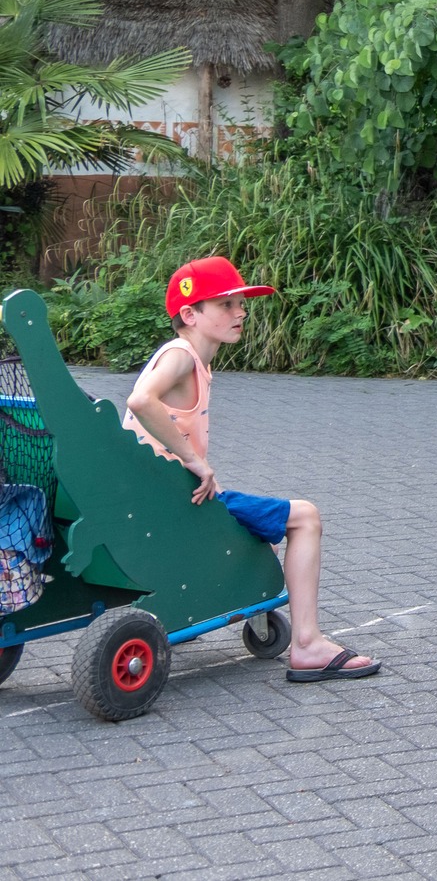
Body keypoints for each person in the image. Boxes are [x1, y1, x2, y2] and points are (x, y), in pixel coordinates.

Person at [123, 257, 381, 683]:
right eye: (225, 304)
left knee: (257, 532)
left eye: (241, 303)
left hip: (165, 497)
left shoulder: (194, 360)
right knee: (305, 517)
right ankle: (308, 644)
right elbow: (140, 400)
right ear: (190, 314)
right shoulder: (181, 355)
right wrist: (194, 460)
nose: (240, 312)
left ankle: (230, 607)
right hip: (174, 504)